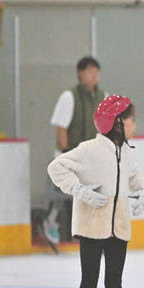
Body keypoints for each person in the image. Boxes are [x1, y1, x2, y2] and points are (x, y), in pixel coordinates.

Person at [48, 95, 144, 288]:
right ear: (118, 123)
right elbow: (56, 167)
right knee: (89, 285)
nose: (135, 126)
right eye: (132, 121)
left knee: (114, 285)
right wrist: (78, 191)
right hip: (92, 229)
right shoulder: (89, 149)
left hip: (118, 229)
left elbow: (133, 174)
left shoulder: (127, 150)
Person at [44, 56, 106, 245]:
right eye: (89, 70)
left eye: (96, 70)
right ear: (80, 74)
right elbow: (61, 128)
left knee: (94, 193)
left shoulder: (103, 96)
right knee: (63, 193)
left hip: (91, 158)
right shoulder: (69, 97)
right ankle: (51, 221)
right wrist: (66, 156)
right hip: (69, 155)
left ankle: (88, 230)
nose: (94, 74)